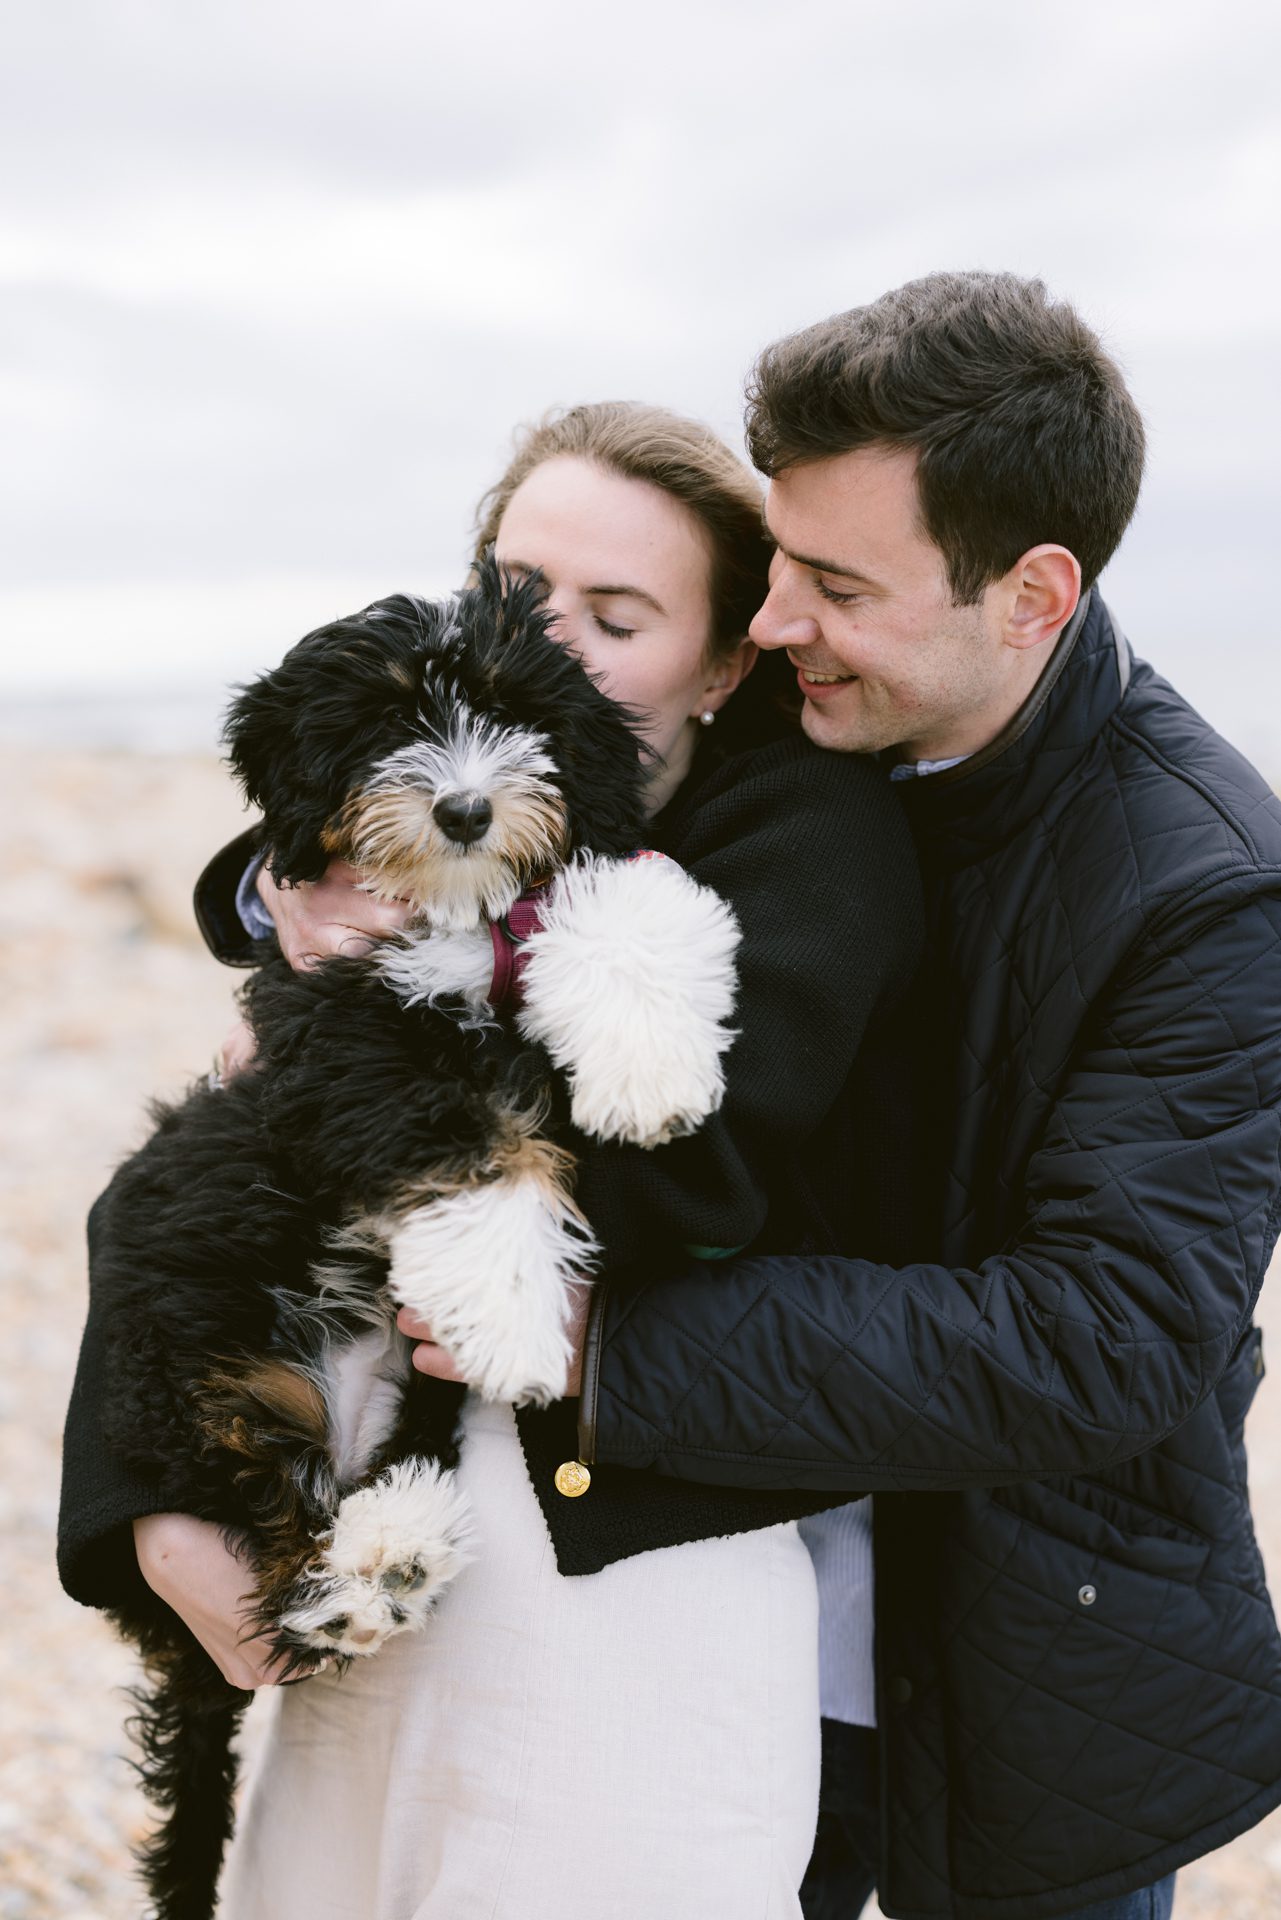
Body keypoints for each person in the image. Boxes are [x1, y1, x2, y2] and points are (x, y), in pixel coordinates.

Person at [58, 403, 926, 1917]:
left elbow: (683, 1185)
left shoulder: (793, 853)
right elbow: (188, 1189)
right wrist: (137, 1500)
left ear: (723, 663)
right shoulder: (393, 836)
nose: (557, 644)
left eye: (620, 616)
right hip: (399, 1523)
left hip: (631, 1568)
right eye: (521, 594)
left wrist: (353, 1041)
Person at [538, 276, 1281, 1920]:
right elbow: (475, 761)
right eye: (777, 560)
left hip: (1034, 1657)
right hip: (700, 1612)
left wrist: (611, 1350)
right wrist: (268, 897)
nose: (774, 618)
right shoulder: (788, 715)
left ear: (1029, 594)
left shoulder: (1207, 890)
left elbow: (1105, 1338)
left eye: (836, 583)